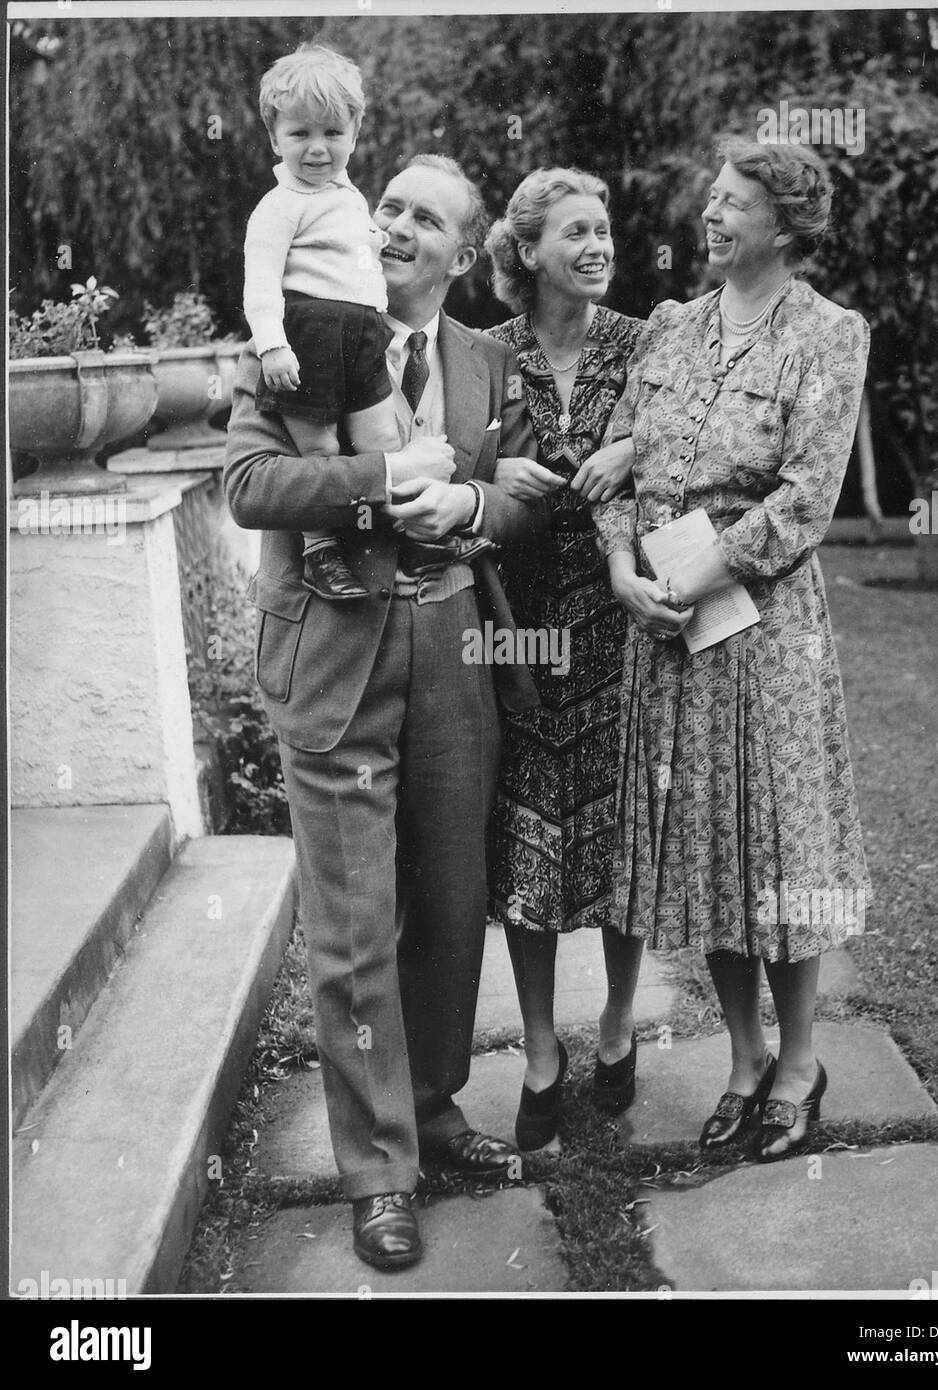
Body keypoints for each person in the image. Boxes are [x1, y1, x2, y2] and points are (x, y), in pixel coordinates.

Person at [225, 153, 546, 1270]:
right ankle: (377, 1171)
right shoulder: (296, 333)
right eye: (390, 208)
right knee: (356, 922)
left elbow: (524, 492)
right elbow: (249, 485)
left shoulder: (486, 357)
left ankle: (434, 1107)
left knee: (453, 903)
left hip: (455, 641)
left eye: (428, 219)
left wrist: (467, 495)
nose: (399, 227)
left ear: (464, 255)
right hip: (334, 650)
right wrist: (378, 475)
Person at [594, 136, 871, 1163]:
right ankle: (745, 1058)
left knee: (780, 855)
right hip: (667, 634)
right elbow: (618, 467)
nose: (710, 217)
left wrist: (704, 571)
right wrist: (624, 571)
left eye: (735, 203)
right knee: (707, 848)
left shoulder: (828, 335)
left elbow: (808, 496)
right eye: (711, 199)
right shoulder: (670, 328)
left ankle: (800, 1063)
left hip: (764, 634)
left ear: (786, 226)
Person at [482, 168, 646, 1150]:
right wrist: (491, 469)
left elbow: (691, 433)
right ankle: (542, 1049)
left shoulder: (643, 342)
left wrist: (628, 451)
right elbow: (451, 459)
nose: (597, 245)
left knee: (620, 842)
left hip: (622, 625)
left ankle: (621, 1023)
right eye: (576, 232)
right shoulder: (487, 354)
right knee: (528, 851)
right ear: (529, 250)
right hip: (523, 629)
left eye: (605, 230)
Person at [244, 44, 487, 603]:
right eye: (300, 134)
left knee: (385, 441)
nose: (317, 148)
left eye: (332, 133)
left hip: (359, 335)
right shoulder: (278, 206)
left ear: (354, 134)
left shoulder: (347, 197)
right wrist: (273, 346)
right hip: (305, 341)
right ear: (274, 138)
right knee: (322, 450)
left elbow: (351, 247)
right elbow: (260, 282)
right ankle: (319, 551)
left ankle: (420, 537)